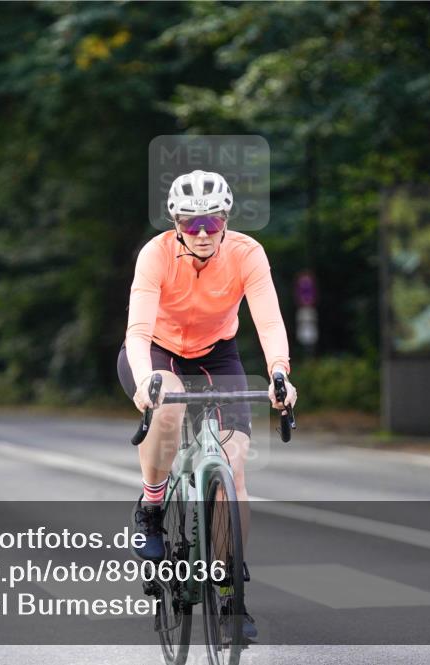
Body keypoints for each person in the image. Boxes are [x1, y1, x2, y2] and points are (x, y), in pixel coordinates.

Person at [117, 169, 298, 640]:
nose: (202, 233)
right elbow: (136, 332)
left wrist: (279, 372)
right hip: (157, 350)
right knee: (169, 403)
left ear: (226, 220)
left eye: (212, 223)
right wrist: (143, 382)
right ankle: (153, 504)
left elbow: (269, 319)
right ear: (176, 222)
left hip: (218, 353)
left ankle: (230, 590)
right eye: (191, 223)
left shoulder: (246, 254)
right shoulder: (155, 255)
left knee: (233, 469)